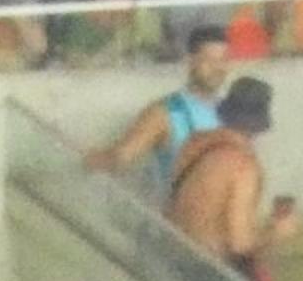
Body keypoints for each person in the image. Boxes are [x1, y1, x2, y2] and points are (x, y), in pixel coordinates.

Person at [165, 77, 295, 281]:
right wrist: (276, 232)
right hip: (213, 279)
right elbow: (239, 244)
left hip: (176, 263)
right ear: (260, 125)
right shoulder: (244, 167)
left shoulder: (194, 143)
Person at [86, 28, 235, 186]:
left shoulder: (234, 111)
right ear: (191, 61)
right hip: (177, 207)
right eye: (209, 60)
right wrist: (90, 158)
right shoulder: (164, 112)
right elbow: (120, 157)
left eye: (223, 60)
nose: (218, 68)